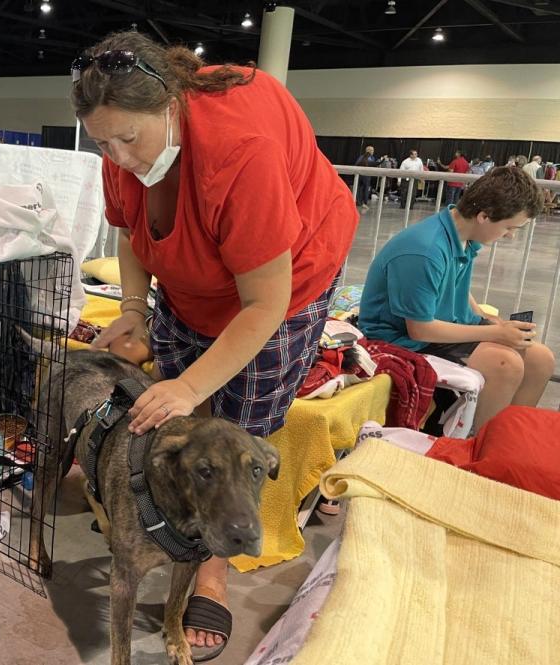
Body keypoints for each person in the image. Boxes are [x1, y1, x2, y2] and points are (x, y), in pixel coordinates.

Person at [70, 31, 358, 659]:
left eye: (129, 139)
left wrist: (193, 383)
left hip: (284, 282)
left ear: (170, 106)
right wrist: (134, 310)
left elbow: (263, 304)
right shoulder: (121, 150)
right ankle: (178, 518)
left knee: (236, 422)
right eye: (102, 142)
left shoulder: (238, 153)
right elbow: (132, 231)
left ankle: (211, 567)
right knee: (181, 413)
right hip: (199, 277)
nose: (118, 156)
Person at [359, 167, 554, 431]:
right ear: (484, 216)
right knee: (505, 364)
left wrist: (486, 319)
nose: (511, 235)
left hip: (439, 325)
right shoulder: (424, 250)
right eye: (510, 227)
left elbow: (453, 281)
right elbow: (419, 329)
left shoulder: (464, 236)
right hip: (403, 338)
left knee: (540, 359)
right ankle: (479, 448)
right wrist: (495, 334)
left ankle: (509, 438)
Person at [354, 145, 378, 212]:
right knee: (360, 189)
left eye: (373, 150)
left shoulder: (372, 158)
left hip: (368, 176)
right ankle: (359, 202)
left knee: (366, 189)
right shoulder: (362, 157)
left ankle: (364, 202)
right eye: (371, 150)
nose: (372, 151)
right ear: (367, 151)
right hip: (361, 176)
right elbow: (357, 164)